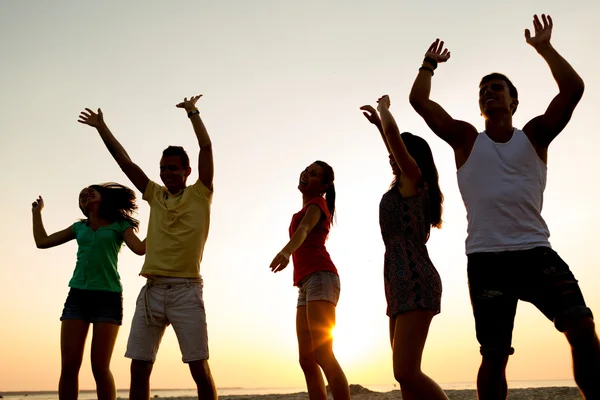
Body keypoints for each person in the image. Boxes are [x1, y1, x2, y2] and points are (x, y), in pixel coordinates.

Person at [409, 14, 600, 400]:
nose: (489, 93)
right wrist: (429, 65)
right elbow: (419, 101)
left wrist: (544, 48)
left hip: (536, 253)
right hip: (487, 261)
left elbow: (574, 89)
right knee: (494, 355)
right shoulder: (465, 138)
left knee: (581, 327)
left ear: (514, 100)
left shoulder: (534, 135)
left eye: (497, 89)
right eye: (483, 91)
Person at [78, 94, 217, 400]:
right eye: (163, 168)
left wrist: (193, 112)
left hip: (186, 290)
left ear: (187, 171)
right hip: (151, 290)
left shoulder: (200, 193)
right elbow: (126, 162)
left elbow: (206, 148)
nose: (167, 173)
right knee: (139, 366)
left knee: (198, 367)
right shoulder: (155, 194)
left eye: (173, 168)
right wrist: (102, 128)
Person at [361, 96, 447, 399]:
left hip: (414, 277)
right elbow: (394, 146)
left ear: (413, 158)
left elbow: (397, 143)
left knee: (406, 371)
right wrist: (379, 128)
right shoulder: (402, 182)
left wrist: (385, 111)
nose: (391, 154)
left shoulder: (414, 180)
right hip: (397, 281)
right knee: (406, 379)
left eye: (398, 150)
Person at [32, 183, 145, 400]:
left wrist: (164, 225)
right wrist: (37, 214)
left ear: (103, 197)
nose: (86, 193)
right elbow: (42, 241)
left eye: (91, 190)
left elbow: (140, 249)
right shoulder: (79, 228)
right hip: (77, 297)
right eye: (82, 194)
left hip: (108, 297)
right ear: (83, 205)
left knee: (100, 368)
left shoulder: (120, 225)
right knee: (69, 365)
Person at [269, 161, 349, 400]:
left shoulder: (317, 204)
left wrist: (285, 251)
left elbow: (303, 231)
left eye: (313, 174)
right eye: (306, 170)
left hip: (321, 277)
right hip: (306, 283)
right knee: (306, 358)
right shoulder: (304, 209)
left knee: (323, 353)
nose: (306, 174)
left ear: (323, 186)